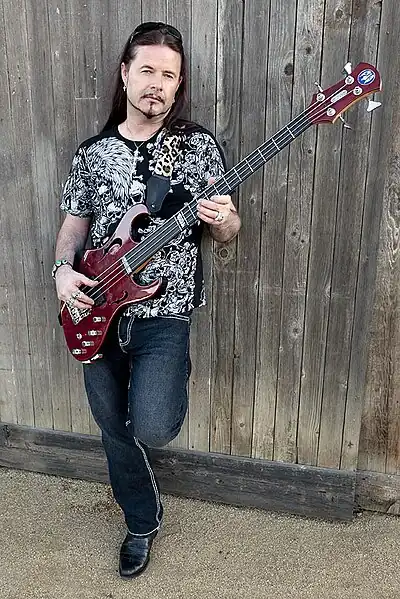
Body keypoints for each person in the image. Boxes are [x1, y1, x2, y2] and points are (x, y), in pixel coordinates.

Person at [53, 22, 241, 578]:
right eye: (148, 70)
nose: (157, 84)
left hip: (165, 314)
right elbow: (74, 225)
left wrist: (224, 220)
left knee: (152, 426)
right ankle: (141, 522)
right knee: (112, 426)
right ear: (125, 73)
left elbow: (228, 230)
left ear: (179, 85)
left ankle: (162, 390)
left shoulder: (198, 148)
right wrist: (62, 272)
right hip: (95, 306)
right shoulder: (93, 154)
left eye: (169, 75)